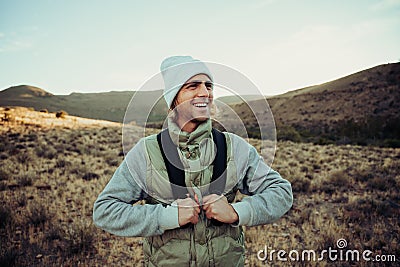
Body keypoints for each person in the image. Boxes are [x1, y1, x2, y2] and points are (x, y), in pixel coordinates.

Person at [93, 56, 293, 266]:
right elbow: (106, 211)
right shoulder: (147, 152)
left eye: (208, 86)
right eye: (192, 86)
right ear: (174, 98)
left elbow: (281, 192)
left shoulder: (235, 147)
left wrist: (236, 211)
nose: (205, 93)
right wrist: (165, 217)